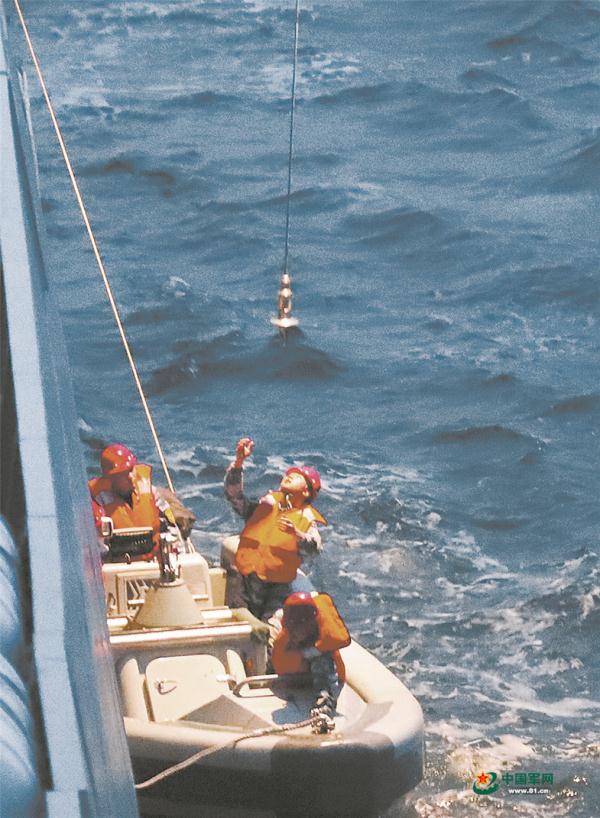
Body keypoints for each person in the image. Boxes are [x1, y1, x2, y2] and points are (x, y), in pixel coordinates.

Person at [224, 437, 326, 622]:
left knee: (272, 625)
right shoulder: (264, 508)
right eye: (287, 474)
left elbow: (314, 548)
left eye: (296, 477)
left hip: (275, 588)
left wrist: (297, 534)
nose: (288, 476)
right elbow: (234, 496)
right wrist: (239, 462)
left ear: (306, 492)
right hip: (245, 579)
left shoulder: (306, 520)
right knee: (238, 617)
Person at [271, 591, 351, 729]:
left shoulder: (322, 636)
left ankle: (324, 704)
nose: (299, 632)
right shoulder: (280, 631)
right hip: (288, 674)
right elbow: (278, 663)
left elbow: (337, 663)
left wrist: (340, 680)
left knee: (322, 659)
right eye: (295, 628)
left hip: (312, 673)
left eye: (302, 627)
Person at [88, 443, 179, 561]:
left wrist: (175, 548)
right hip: (119, 567)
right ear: (111, 478)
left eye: (131, 470)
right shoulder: (99, 501)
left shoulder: (149, 490)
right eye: (123, 474)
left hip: (153, 562)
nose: (131, 477)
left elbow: (170, 520)